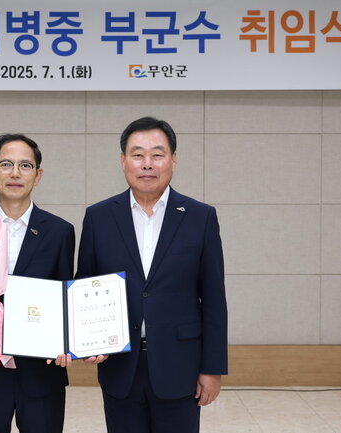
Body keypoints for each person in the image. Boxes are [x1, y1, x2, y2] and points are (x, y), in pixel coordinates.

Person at [76, 117, 228, 433]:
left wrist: (212, 369)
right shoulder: (99, 217)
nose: (147, 164)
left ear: (173, 159)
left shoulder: (200, 217)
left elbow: (214, 298)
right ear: (123, 161)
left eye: (157, 154)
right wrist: (86, 341)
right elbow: (84, 285)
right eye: (138, 155)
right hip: (120, 365)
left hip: (180, 365)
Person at [0, 134, 75, 433]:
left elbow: (65, 294)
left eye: (25, 165)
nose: (15, 173)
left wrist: (67, 341)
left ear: (38, 175)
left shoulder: (60, 231)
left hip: (41, 370)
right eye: (6, 164)